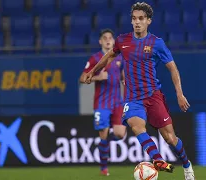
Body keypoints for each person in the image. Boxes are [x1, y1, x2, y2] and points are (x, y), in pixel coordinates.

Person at [82, 2, 195, 180]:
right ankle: (157, 159)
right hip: (133, 98)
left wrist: (179, 94)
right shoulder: (123, 40)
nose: (137, 22)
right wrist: (93, 71)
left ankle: (187, 166)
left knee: (170, 138)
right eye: (134, 18)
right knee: (136, 126)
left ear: (149, 20)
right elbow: (109, 56)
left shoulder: (156, 43)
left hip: (153, 96)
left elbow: (173, 69)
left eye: (141, 18)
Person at [79, 29, 126, 176]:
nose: (107, 40)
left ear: (113, 41)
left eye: (110, 38)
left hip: (118, 102)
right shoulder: (95, 59)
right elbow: (82, 78)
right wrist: (97, 77)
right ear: (100, 41)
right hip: (102, 104)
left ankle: (104, 144)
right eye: (104, 38)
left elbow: (124, 77)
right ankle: (103, 168)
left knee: (120, 134)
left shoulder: (119, 58)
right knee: (103, 134)